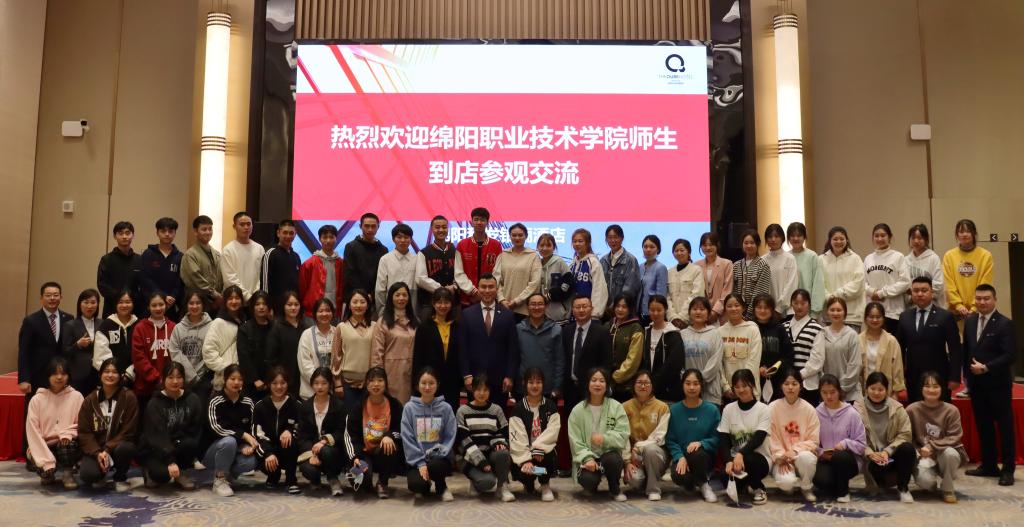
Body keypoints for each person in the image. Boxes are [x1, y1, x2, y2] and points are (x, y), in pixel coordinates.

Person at [962, 284, 1016, 486]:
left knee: (1004, 428)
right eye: (978, 298)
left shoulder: (1005, 324)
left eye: (986, 298)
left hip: (998, 385)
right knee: (984, 427)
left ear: (994, 300)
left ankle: (1008, 470)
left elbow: (1010, 355)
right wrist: (967, 377)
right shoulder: (970, 321)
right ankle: (989, 465)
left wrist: (986, 367)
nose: (982, 302)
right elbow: (967, 351)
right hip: (976, 386)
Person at [568, 367, 630, 501]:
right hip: (588, 458)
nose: (597, 384)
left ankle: (614, 488)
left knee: (613, 460)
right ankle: (591, 485)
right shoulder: (577, 411)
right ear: (587, 384)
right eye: (594, 380)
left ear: (607, 385)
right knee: (588, 480)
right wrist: (587, 458)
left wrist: (604, 439)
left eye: (602, 381)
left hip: (608, 454)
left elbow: (623, 435)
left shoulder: (616, 407)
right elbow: (575, 441)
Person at [896, 276, 962, 402]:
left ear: (932, 292)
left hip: (939, 375)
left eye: (924, 290)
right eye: (916, 291)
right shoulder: (904, 317)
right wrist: (899, 376)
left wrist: (955, 377)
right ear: (911, 293)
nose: (920, 294)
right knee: (915, 411)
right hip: (913, 376)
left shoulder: (945, 316)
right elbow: (899, 349)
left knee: (940, 411)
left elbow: (955, 349)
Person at [77, 358, 139, 491]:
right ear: (100, 375)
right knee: (88, 475)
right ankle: (100, 474)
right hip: (97, 450)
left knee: (127, 448)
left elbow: (128, 430)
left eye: (114, 372)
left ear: (121, 375)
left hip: (117, 448)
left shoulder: (129, 397)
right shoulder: (90, 400)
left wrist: (107, 449)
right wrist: (97, 453)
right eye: (106, 371)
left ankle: (120, 477)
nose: (110, 375)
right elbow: (84, 432)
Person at [907, 371, 968, 503]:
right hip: (923, 455)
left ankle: (947, 488)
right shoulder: (912, 409)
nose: (931, 390)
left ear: (942, 388)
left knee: (951, 454)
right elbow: (906, 437)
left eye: (935, 386)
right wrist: (919, 451)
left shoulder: (951, 410)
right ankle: (931, 482)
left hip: (944, 452)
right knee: (925, 483)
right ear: (921, 388)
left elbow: (954, 436)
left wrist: (932, 447)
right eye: (927, 386)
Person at [140, 361, 202, 490]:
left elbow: (195, 429)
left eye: (179, 377)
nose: (175, 381)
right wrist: (170, 460)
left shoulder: (192, 399)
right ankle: (148, 471)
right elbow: (157, 436)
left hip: (179, 444)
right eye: (170, 377)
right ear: (163, 379)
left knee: (190, 444)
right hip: (157, 448)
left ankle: (181, 473)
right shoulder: (155, 403)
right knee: (162, 476)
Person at [344, 367, 404, 499]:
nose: (376, 384)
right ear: (366, 384)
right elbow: (350, 435)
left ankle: (383, 482)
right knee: (358, 480)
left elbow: (401, 429)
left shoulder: (394, 405)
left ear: (386, 383)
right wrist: (355, 457)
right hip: (363, 453)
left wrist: (389, 436)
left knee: (390, 447)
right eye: (371, 381)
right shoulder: (358, 406)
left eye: (380, 380)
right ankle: (366, 480)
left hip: (382, 452)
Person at [857, 371, 916, 503]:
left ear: (886, 390)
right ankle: (879, 484)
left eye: (880, 389)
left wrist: (887, 451)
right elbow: (855, 437)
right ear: (866, 389)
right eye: (872, 388)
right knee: (874, 467)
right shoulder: (857, 409)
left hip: (892, 454)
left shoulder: (897, 409)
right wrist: (870, 453)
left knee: (908, 448)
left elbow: (905, 434)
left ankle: (903, 489)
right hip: (872, 457)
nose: (876, 393)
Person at [24, 357, 83, 489]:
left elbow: (82, 425)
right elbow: (33, 431)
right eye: (55, 373)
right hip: (44, 444)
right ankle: (48, 475)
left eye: (63, 373)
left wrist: (68, 433)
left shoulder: (77, 397)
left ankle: (68, 474)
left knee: (68, 445)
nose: (59, 377)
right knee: (35, 455)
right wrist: (46, 462)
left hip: (66, 443)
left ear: (68, 375)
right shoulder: (37, 399)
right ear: (47, 376)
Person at [459, 274, 518, 405]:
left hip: (500, 380)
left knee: (498, 414)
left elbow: (513, 349)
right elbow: (462, 347)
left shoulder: (508, 315)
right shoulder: (467, 314)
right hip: (474, 379)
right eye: (483, 287)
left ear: (497, 289)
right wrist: (466, 375)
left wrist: (510, 376)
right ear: (478, 288)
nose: (487, 290)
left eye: (491, 287)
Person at [718, 368, 773, 505]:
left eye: (744, 386)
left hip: (759, 459)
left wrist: (740, 454)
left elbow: (759, 438)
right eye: (737, 387)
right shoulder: (729, 409)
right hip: (736, 460)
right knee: (724, 476)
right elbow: (723, 438)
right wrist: (728, 461)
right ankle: (745, 484)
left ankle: (758, 488)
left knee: (749, 461)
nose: (741, 390)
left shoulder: (764, 409)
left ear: (752, 385)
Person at [665, 368, 720, 503]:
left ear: (701, 386)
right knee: (678, 476)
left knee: (697, 454)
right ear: (682, 385)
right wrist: (680, 457)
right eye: (688, 383)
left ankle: (704, 485)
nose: (692, 387)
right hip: (683, 457)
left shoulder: (712, 410)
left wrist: (702, 443)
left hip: (704, 457)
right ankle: (692, 482)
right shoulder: (674, 410)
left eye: (696, 383)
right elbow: (670, 440)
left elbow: (718, 438)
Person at [402, 367, 457, 501]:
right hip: (417, 460)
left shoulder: (446, 408)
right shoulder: (409, 408)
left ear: (437, 385)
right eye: (423, 383)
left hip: (439, 459)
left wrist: (435, 454)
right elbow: (407, 438)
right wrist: (420, 463)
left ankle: (441, 486)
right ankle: (425, 484)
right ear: (417, 385)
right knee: (416, 485)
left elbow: (450, 436)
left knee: (436, 467)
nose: (427, 387)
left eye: (431, 383)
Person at [205, 364, 259, 497]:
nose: (236, 382)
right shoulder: (215, 401)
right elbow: (216, 429)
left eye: (240, 379)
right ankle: (219, 479)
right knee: (229, 441)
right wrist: (243, 435)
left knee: (252, 461)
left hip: (236, 449)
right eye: (232, 379)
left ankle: (227, 476)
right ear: (225, 379)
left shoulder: (248, 402)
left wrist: (246, 445)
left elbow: (253, 428)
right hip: (213, 451)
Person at [456, 376, 514, 501]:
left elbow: (503, 432)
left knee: (503, 452)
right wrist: (480, 461)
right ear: (472, 389)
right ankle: (474, 480)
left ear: (490, 391)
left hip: (490, 453)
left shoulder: (496, 410)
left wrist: (498, 443)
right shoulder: (463, 411)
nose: (482, 393)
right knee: (487, 482)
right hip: (469, 457)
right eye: (478, 389)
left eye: (485, 390)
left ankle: (502, 486)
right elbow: (464, 440)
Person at [767, 369, 820, 502]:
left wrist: (794, 451)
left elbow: (813, 440)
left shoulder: (809, 409)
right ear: (781, 386)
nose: (790, 387)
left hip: (800, 455)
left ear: (800, 386)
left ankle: (806, 487)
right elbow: (770, 437)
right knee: (787, 485)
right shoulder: (772, 408)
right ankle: (788, 484)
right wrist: (781, 456)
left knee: (807, 458)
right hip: (781, 457)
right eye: (786, 384)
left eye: (794, 384)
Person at [508, 367, 560, 502]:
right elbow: (516, 438)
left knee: (548, 457)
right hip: (525, 455)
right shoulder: (518, 408)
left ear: (543, 384)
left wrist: (538, 447)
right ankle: (528, 483)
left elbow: (552, 432)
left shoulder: (550, 406)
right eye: (531, 382)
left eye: (538, 382)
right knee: (523, 472)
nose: (535, 386)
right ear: (525, 384)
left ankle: (545, 484)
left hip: (543, 453)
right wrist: (526, 459)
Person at [813, 373, 866, 503]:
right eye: (824, 392)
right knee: (821, 480)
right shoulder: (816, 413)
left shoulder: (851, 413)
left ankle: (843, 492)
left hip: (849, 460)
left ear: (839, 391)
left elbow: (861, 444)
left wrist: (846, 444)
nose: (829, 396)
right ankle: (834, 484)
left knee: (840, 457)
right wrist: (821, 453)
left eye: (832, 392)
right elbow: (811, 441)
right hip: (825, 459)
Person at [297, 367, 349, 496]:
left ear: (330, 384)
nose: (320, 387)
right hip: (311, 451)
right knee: (307, 469)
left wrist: (324, 441)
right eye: (316, 383)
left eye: (324, 383)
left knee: (326, 451)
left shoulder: (339, 406)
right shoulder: (305, 407)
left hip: (333, 451)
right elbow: (302, 436)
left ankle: (333, 479)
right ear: (311, 384)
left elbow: (341, 432)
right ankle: (315, 480)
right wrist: (312, 455)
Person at [19, 283, 74, 399]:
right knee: (36, 407)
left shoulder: (69, 319)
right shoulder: (31, 321)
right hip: (38, 375)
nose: (52, 298)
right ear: (41, 298)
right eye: (48, 295)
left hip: (61, 376)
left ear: (61, 297)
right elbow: (24, 352)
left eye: (56, 295)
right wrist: (24, 379)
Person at [802, 297, 861, 404]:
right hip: (827, 391)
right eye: (832, 310)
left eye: (839, 310)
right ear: (827, 312)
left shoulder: (852, 335)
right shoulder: (822, 333)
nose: (835, 313)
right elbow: (818, 360)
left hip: (847, 393)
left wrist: (841, 389)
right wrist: (827, 388)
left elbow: (855, 365)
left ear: (845, 312)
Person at [622, 371, 670, 501]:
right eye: (639, 383)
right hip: (633, 457)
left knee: (650, 450)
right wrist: (627, 461)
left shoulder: (662, 407)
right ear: (633, 385)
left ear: (652, 385)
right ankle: (646, 479)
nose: (643, 386)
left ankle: (653, 489)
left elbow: (659, 436)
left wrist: (638, 447)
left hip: (656, 453)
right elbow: (623, 435)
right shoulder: (625, 407)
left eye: (646, 383)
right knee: (635, 480)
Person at [253, 365, 301, 494]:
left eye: (283, 383)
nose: (279, 387)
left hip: (288, 450)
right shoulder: (260, 406)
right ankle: (273, 476)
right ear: (268, 384)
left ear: (288, 383)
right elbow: (257, 434)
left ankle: (291, 480)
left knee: (290, 441)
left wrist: (290, 431)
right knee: (262, 455)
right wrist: (268, 453)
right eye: (274, 383)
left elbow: (302, 427)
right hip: (269, 450)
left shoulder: (296, 404)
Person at [411, 288, 461, 411]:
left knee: (450, 412)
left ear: (451, 304)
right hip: (430, 380)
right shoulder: (424, 327)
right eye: (439, 302)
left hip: (452, 380)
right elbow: (418, 357)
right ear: (433, 304)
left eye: (446, 302)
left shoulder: (457, 326)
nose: (443, 306)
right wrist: (417, 381)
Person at [561, 295, 612, 411]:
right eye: (577, 307)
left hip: (592, 388)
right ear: (572, 310)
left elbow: (606, 362)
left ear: (591, 309)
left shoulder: (602, 332)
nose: (581, 310)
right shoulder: (566, 331)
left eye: (584, 306)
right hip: (570, 389)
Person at [371, 282, 418, 402]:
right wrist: (378, 378)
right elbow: (376, 354)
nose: (401, 298)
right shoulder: (383, 322)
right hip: (391, 374)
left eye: (404, 295)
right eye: (397, 295)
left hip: (412, 373)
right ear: (391, 298)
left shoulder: (415, 321)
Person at [131, 292, 176, 412]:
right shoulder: (140, 328)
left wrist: (169, 379)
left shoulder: (174, 327)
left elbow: (177, 356)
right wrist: (157, 379)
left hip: (170, 386)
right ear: (148, 307)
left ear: (166, 306)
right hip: (145, 389)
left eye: (161, 304)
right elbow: (139, 358)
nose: (158, 308)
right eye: (154, 305)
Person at [331, 289, 375, 409]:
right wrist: (337, 383)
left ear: (368, 305)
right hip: (347, 384)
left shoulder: (375, 327)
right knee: (349, 417)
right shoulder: (341, 327)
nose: (358, 305)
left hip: (370, 383)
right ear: (349, 306)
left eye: (362, 302)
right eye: (355, 302)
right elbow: (336, 356)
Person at [415, 215, 465, 321]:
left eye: (444, 227)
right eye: (437, 227)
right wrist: (442, 289)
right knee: (429, 330)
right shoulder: (423, 253)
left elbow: (460, 273)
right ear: (432, 229)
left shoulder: (455, 251)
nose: (441, 230)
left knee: (454, 329)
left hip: (452, 302)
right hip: (429, 303)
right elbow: (420, 278)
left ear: (448, 228)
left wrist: (455, 286)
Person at [864, 223, 911, 335]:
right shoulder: (868, 258)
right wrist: (872, 292)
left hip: (893, 312)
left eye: (883, 235)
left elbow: (905, 282)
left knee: (892, 344)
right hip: (873, 313)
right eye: (876, 236)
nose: (879, 239)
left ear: (889, 237)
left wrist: (881, 293)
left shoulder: (898, 257)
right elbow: (862, 282)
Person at [942, 219, 993, 319]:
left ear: (974, 234)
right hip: (955, 312)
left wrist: (975, 307)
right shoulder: (949, 256)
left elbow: (985, 283)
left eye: (968, 231)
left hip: (980, 309)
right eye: (961, 232)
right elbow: (948, 284)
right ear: (957, 235)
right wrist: (959, 305)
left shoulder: (986, 255)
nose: (964, 234)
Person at [515, 293, 564, 398]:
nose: (536, 307)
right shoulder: (518, 329)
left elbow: (560, 361)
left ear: (546, 306)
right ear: (527, 307)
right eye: (533, 304)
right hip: (523, 387)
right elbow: (513, 358)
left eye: (540, 304)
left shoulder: (556, 329)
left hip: (548, 388)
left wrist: (557, 386)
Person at [783, 289, 825, 406]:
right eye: (796, 303)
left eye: (803, 303)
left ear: (809, 304)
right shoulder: (783, 327)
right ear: (791, 304)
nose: (799, 306)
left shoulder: (817, 329)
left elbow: (817, 360)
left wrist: (798, 376)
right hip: (786, 384)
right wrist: (789, 378)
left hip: (808, 384)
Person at [454, 207, 503, 306]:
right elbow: (458, 273)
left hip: (489, 297)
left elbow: (497, 272)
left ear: (487, 222)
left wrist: (486, 290)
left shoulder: (496, 245)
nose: (479, 222)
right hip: (468, 298)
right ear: (471, 222)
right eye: (476, 219)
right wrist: (473, 291)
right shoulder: (462, 245)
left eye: (482, 220)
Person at [493, 223, 542, 322]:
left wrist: (517, 301)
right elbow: (496, 280)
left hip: (524, 309)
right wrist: (501, 299)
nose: (517, 238)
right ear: (510, 236)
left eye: (520, 235)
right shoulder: (503, 255)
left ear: (526, 236)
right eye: (514, 235)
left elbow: (535, 283)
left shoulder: (533, 256)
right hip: (503, 307)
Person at [819, 226, 865, 331]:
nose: (839, 241)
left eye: (842, 239)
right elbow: (818, 283)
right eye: (835, 239)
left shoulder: (855, 258)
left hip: (851, 316)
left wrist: (835, 296)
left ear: (846, 240)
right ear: (829, 241)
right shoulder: (821, 259)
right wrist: (828, 297)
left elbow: (858, 284)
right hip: (828, 315)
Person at [168, 291, 213, 397]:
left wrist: (199, 376)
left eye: (198, 303)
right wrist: (191, 375)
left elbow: (212, 351)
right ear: (186, 305)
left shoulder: (212, 326)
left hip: (205, 380)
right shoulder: (178, 328)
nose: (195, 306)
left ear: (203, 305)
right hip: (182, 379)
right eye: (191, 303)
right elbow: (175, 352)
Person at [859, 302, 907, 400]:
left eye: (878, 317)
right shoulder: (857, 340)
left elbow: (898, 369)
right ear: (865, 318)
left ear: (884, 318)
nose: (875, 320)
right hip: (863, 392)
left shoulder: (891, 341)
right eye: (871, 317)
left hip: (886, 392)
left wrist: (896, 393)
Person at [681, 297, 724, 405]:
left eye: (702, 309)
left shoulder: (715, 334)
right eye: (695, 309)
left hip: (710, 390)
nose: (698, 312)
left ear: (708, 313)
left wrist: (699, 380)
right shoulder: (682, 334)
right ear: (689, 313)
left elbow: (716, 362)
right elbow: (678, 362)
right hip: (688, 389)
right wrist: (689, 381)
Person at [719, 294, 762, 401]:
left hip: (749, 389)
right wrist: (726, 387)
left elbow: (754, 360)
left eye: (737, 305)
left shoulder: (752, 329)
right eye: (729, 306)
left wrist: (742, 386)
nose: (733, 309)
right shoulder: (719, 332)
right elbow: (719, 364)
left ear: (743, 308)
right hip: (728, 392)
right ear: (725, 309)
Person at [643, 295, 685, 402]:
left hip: (668, 391)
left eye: (659, 310)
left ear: (665, 310)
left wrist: (655, 385)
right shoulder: (646, 332)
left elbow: (674, 365)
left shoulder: (673, 334)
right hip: (647, 390)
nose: (655, 313)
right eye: (652, 310)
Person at [202, 286, 245, 392]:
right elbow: (208, 352)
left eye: (237, 298)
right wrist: (228, 370)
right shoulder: (218, 323)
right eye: (230, 298)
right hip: (224, 379)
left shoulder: (244, 321)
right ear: (225, 301)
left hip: (242, 378)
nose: (234, 301)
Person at [97, 221, 144, 317]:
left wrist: (130, 299)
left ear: (133, 235)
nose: (124, 236)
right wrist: (120, 298)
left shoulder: (140, 260)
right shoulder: (106, 259)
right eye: (120, 233)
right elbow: (102, 284)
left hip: (135, 309)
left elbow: (143, 285)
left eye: (127, 233)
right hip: (111, 308)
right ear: (115, 236)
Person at [141, 217, 184, 320]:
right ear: (157, 233)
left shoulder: (180, 256)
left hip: (172, 305)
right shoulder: (148, 254)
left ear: (175, 233)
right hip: (152, 304)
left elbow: (180, 281)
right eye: (163, 231)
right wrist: (163, 296)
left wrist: (173, 297)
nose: (167, 234)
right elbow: (146, 279)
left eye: (171, 231)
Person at [266, 291, 308, 398]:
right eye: (289, 305)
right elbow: (271, 357)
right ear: (283, 306)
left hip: (304, 378)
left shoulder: (305, 327)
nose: (293, 308)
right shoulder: (277, 328)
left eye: (296, 304)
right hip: (284, 379)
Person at [91, 290, 138, 386]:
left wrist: (129, 374)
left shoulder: (139, 325)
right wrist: (115, 373)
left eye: (128, 302)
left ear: (133, 304)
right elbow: (100, 355)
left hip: (136, 377)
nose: (124, 305)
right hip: (110, 379)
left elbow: (142, 354)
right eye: (120, 302)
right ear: (115, 304)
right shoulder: (106, 325)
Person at [343, 212, 389, 306]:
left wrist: (372, 295)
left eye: (373, 226)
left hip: (376, 298)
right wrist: (363, 295)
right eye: (366, 226)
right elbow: (350, 274)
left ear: (378, 227)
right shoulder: (350, 247)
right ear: (360, 226)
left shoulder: (383, 250)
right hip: (355, 298)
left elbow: (383, 277)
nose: (370, 229)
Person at [300, 224, 345, 317]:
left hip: (335, 311)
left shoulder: (341, 263)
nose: (328, 240)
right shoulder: (309, 263)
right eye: (324, 237)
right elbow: (302, 288)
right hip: (313, 311)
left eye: (331, 237)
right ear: (320, 239)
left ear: (336, 239)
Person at [181, 215, 224, 312]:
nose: (208, 232)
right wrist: (216, 295)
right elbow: (196, 280)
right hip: (197, 304)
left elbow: (221, 278)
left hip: (217, 303)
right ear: (195, 231)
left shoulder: (217, 254)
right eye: (204, 229)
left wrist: (220, 296)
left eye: (210, 229)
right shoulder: (190, 255)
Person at [61, 289, 101, 394]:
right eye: (86, 302)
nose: (89, 306)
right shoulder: (70, 325)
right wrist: (78, 345)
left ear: (97, 304)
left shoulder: (102, 323)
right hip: (78, 375)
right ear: (80, 304)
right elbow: (64, 352)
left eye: (93, 302)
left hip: (98, 374)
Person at [753, 294, 791, 402]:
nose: (762, 310)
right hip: (754, 378)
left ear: (772, 309)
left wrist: (775, 368)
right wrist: (758, 368)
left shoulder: (780, 328)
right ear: (754, 309)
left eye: (766, 307)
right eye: (759, 307)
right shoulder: (750, 327)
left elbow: (788, 355)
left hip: (777, 379)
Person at [220, 211, 266, 301]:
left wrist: (256, 296)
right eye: (242, 224)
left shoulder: (259, 248)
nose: (246, 227)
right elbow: (230, 279)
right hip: (235, 300)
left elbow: (261, 275)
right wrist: (248, 297)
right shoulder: (228, 250)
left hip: (256, 300)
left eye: (249, 224)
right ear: (234, 227)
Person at [298, 298, 337, 400]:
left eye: (328, 310)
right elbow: (304, 364)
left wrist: (331, 383)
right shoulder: (306, 335)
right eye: (320, 311)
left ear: (332, 313)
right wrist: (320, 384)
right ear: (314, 314)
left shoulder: (338, 332)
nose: (324, 314)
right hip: (310, 392)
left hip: (333, 391)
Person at [237, 291, 274, 400]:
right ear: (252, 307)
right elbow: (244, 356)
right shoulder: (244, 329)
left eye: (264, 304)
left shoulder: (275, 328)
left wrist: (271, 379)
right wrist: (255, 379)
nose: (261, 307)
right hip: (251, 383)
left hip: (272, 382)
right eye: (257, 304)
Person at [600, 225, 641, 320]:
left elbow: (630, 288)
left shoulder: (630, 260)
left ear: (622, 238)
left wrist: (615, 306)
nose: (613, 240)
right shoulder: (603, 260)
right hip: (604, 311)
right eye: (610, 238)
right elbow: (600, 286)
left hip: (623, 310)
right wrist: (603, 306)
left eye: (616, 237)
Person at [376, 223, 418, 314]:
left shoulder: (417, 259)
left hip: (412, 308)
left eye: (406, 237)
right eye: (399, 237)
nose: (403, 240)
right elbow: (380, 288)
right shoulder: (385, 259)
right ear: (393, 239)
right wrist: (382, 312)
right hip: (390, 308)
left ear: (411, 239)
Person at [260, 219, 301, 310]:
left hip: (292, 308)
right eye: (285, 232)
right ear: (278, 233)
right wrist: (268, 307)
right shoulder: (270, 254)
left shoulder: (296, 256)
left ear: (295, 234)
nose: (288, 236)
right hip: (275, 308)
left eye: (291, 233)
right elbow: (265, 285)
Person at [609, 294, 644, 400]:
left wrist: (616, 377)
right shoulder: (608, 325)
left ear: (630, 309)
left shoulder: (636, 328)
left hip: (626, 385)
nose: (620, 309)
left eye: (624, 307)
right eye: (617, 306)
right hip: (606, 382)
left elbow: (633, 360)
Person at [787, 222, 825, 317]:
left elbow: (818, 284)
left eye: (799, 235)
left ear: (804, 237)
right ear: (788, 238)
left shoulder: (812, 256)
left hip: (808, 310)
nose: (796, 238)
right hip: (788, 310)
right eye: (792, 236)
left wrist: (815, 311)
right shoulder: (786, 257)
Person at [569, 228, 609, 318]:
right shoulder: (572, 264)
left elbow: (599, 289)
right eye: (574, 241)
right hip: (574, 313)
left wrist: (595, 314)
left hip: (589, 314)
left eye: (580, 241)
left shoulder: (593, 263)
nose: (577, 244)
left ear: (588, 243)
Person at [695, 232, 733, 325]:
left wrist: (715, 311)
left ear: (717, 245)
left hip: (721, 314)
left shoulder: (727, 264)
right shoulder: (696, 265)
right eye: (704, 245)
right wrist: (703, 311)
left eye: (711, 244)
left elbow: (727, 291)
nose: (708, 248)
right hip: (702, 314)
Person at [733, 229, 771, 320]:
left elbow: (760, 292)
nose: (749, 246)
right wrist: (737, 310)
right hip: (737, 312)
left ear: (757, 244)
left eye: (752, 243)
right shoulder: (736, 265)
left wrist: (749, 314)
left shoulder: (763, 265)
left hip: (755, 313)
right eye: (746, 243)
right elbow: (733, 289)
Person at [666, 239, 705, 329]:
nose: (679, 253)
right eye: (676, 251)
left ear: (689, 252)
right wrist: (672, 317)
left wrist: (682, 317)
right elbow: (667, 297)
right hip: (672, 322)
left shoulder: (696, 270)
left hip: (691, 320)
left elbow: (696, 295)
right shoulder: (669, 272)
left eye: (682, 250)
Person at [905, 224, 944, 308]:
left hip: (931, 305)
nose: (916, 241)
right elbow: (904, 284)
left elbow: (939, 284)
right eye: (913, 238)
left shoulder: (933, 258)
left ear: (926, 240)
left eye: (920, 238)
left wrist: (920, 293)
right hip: (911, 306)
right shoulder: (905, 260)